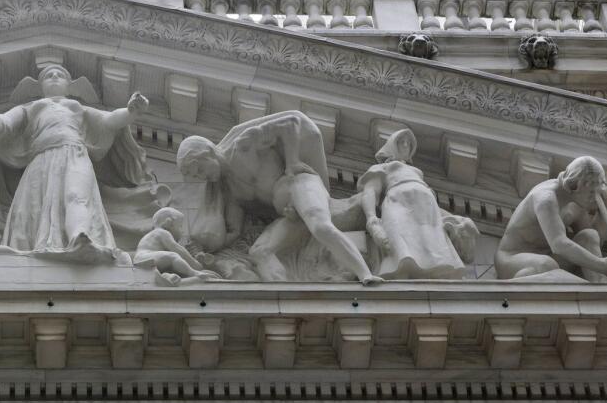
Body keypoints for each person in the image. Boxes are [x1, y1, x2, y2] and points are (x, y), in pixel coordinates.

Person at [0, 65, 164, 262]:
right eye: (49, 75)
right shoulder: (32, 107)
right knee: (33, 207)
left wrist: (131, 112)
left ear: (69, 84)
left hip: (75, 154)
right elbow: (5, 121)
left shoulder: (77, 107)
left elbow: (108, 120)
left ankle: (80, 237)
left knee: (77, 195)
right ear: (40, 87)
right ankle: (33, 245)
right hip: (41, 160)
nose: (54, 77)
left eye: (60, 74)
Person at [177, 111, 381, 285]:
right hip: (289, 214)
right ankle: (286, 303)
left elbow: (290, 123)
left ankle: (366, 275)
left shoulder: (243, 146)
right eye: (196, 176)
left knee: (320, 227)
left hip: (298, 185)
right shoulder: (230, 191)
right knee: (259, 252)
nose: (201, 177)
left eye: (200, 169)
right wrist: (203, 249)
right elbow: (234, 230)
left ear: (209, 152)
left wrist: (292, 162)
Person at [357, 128, 477, 279]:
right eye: (402, 142)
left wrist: (455, 219)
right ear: (392, 146)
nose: (406, 146)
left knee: (434, 249)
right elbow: (370, 192)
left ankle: (437, 275)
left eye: (409, 143)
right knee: (402, 246)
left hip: (427, 210)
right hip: (398, 203)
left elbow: (434, 206)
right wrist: (372, 220)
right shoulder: (383, 167)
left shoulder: (417, 173)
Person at [495, 156, 607, 281]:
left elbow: (592, 247)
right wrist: (604, 265)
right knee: (546, 265)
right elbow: (559, 244)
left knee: (589, 235)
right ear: (573, 185)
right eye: (591, 192)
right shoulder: (546, 199)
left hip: (551, 258)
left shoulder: (577, 201)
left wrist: (605, 207)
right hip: (513, 259)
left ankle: (601, 286)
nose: (595, 196)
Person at [133, 207, 220, 286]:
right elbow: (177, 249)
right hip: (145, 258)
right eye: (180, 226)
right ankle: (194, 273)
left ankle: (169, 277)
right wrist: (195, 265)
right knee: (173, 255)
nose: (182, 231)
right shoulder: (162, 232)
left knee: (172, 260)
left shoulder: (155, 236)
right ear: (168, 223)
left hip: (143, 259)